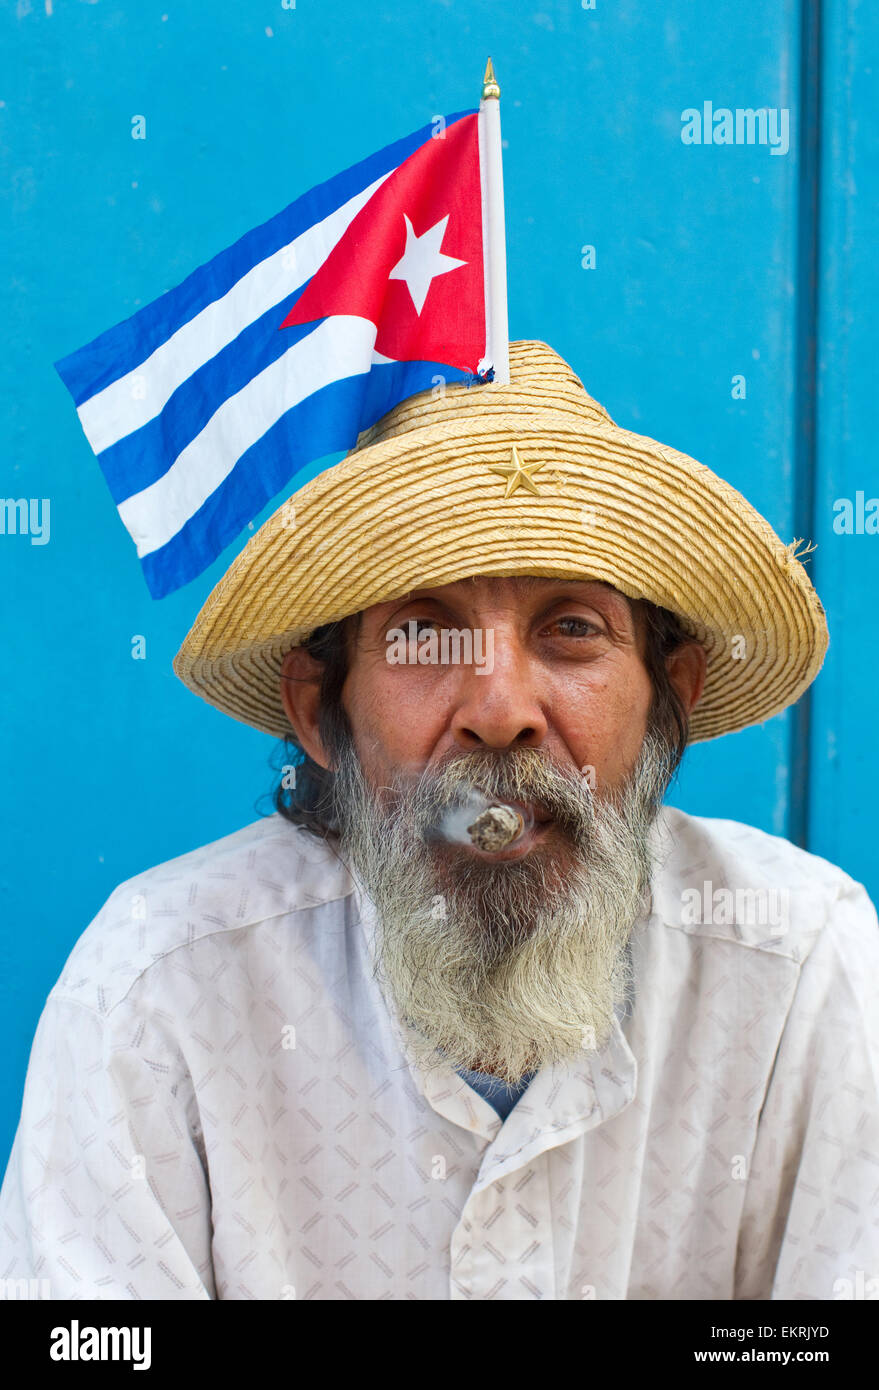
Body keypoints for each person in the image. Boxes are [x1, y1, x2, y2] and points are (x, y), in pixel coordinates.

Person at [1, 341, 876, 1301]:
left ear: (668, 700)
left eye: (571, 629)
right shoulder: (158, 984)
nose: (499, 708)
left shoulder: (795, 962)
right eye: (423, 633)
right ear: (319, 710)